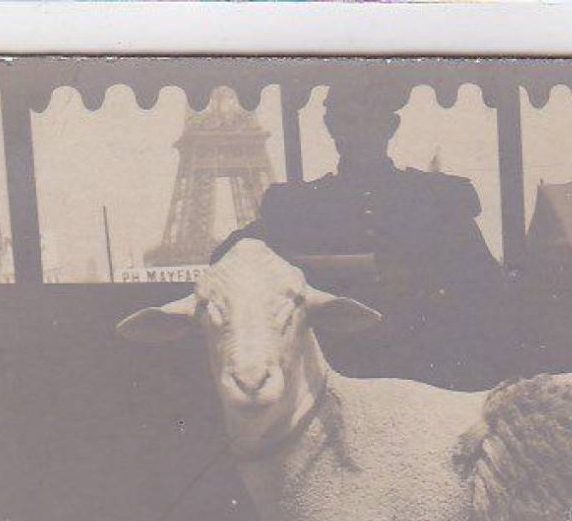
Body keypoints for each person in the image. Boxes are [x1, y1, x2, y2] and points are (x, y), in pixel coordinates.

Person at [211, 80, 510, 391]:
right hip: (340, 375)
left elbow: (484, 289)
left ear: (391, 126)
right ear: (330, 127)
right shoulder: (297, 207)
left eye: (372, 122)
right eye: (348, 122)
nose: (359, 134)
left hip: (427, 371)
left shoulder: (437, 198)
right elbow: (226, 257)